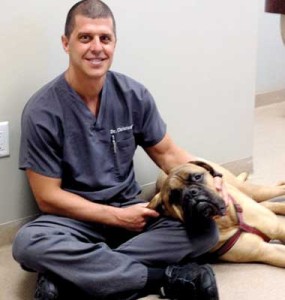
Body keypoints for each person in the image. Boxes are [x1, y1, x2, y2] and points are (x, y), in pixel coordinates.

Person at [12, 1, 230, 299]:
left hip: (133, 214)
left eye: (105, 38)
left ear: (115, 44)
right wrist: (115, 218)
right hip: (75, 223)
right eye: (85, 37)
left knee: (206, 232)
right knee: (28, 243)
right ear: (66, 43)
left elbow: (168, 155)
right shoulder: (42, 110)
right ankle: (163, 278)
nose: (96, 47)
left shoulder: (133, 95)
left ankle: (73, 279)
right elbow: (48, 197)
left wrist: (213, 178)